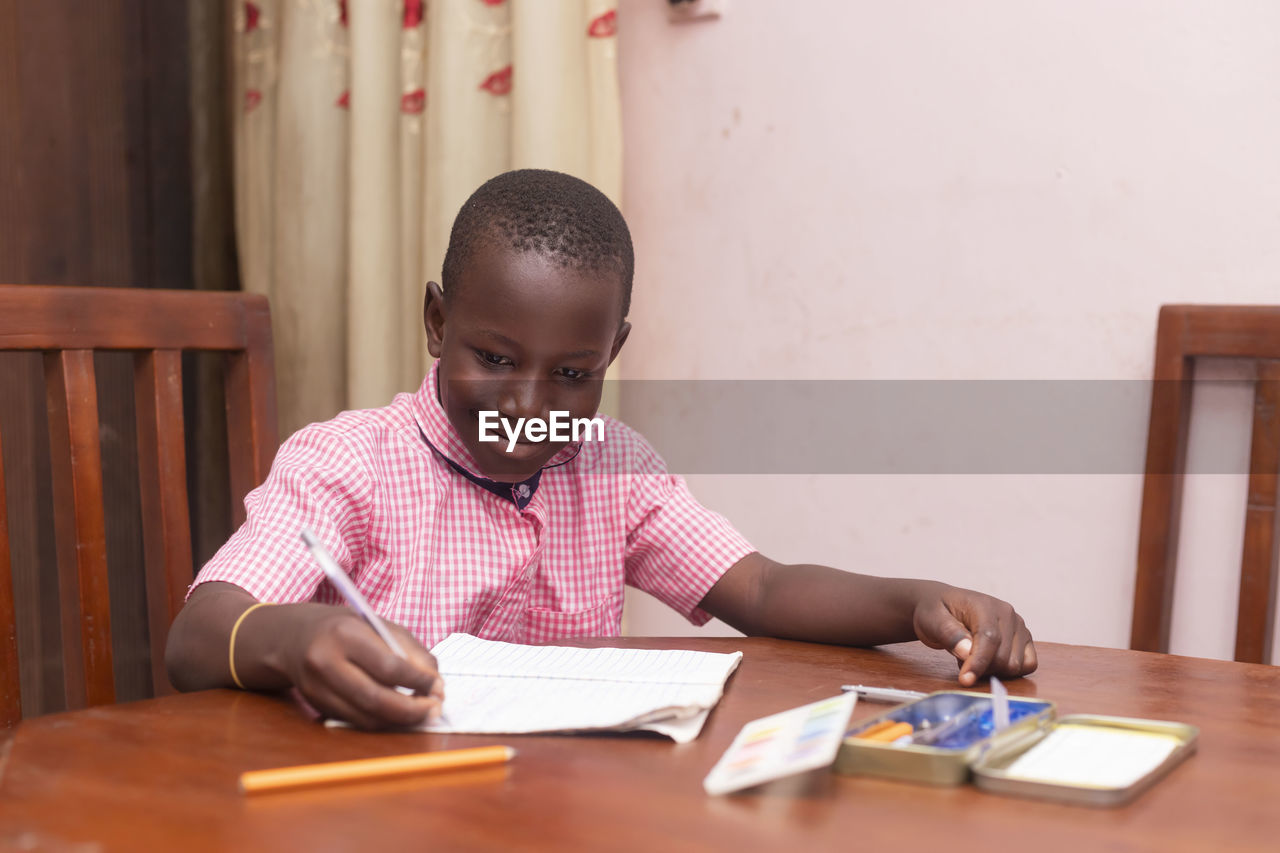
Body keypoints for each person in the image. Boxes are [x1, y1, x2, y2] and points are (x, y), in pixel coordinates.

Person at [165, 169, 1037, 729]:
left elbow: (764, 588)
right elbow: (198, 635)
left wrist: (918, 601)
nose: (527, 403)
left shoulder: (610, 465)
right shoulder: (346, 464)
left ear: (612, 354)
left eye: (572, 373)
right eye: (494, 358)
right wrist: (296, 636)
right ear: (437, 322)